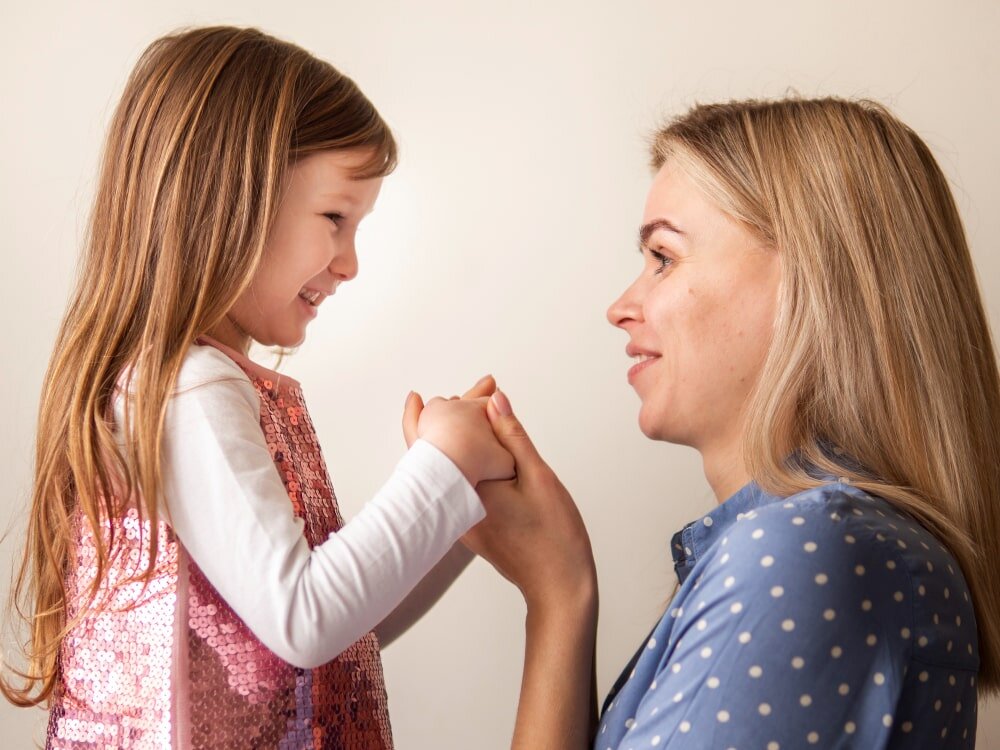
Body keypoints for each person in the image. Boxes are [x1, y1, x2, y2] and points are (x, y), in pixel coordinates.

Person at [1, 26, 513, 748]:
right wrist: (445, 466)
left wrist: (457, 516)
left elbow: (335, 642)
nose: (350, 263)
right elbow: (305, 620)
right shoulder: (189, 391)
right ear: (227, 198)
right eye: (336, 218)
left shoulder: (184, 386)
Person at [443, 98, 1000, 748]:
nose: (621, 306)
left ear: (811, 277)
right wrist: (557, 593)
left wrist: (555, 592)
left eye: (663, 257)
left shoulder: (803, 554)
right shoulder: (830, 550)